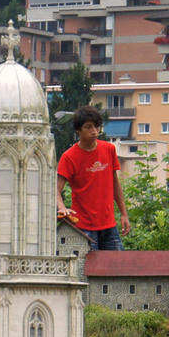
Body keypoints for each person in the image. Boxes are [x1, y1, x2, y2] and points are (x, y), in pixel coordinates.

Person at [56, 104, 130, 251]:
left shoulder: (109, 149)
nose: (94, 131)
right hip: (83, 226)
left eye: (97, 127)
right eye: (89, 127)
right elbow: (56, 189)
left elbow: (115, 183)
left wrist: (124, 214)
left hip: (109, 224)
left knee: (118, 267)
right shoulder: (69, 157)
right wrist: (62, 208)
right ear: (78, 130)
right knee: (86, 270)